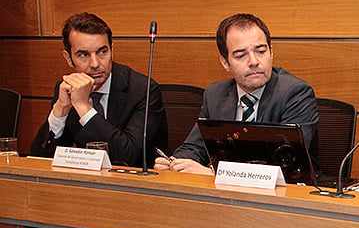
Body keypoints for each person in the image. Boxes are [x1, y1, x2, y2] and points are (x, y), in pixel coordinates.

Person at [154, 13, 318, 175]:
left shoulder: (295, 93)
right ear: (225, 62)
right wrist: (175, 163)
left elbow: (284, 165)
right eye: (241, 55)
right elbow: (195, 147)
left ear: (271, 52)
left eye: (261, 51)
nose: (254, 61)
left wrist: (214, 173)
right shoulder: (215, 95)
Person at [31, 12, 168, 167]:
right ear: (68, 58)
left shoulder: (143, 90)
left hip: (137, 184)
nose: (95, 63)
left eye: (102, 52)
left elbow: (127, 156)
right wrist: (60, 110)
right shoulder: (68, 89)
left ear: (112, 50)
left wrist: (84, 108)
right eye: (83, 54)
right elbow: (39, 159)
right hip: (89, 184)